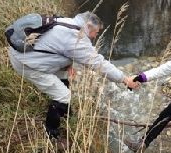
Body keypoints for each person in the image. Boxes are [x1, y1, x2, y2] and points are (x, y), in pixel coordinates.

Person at [8, 12, 139, 145]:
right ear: (88, 26)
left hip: (24, 53)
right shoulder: (76, 37)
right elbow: (99, 64)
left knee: (64, 76)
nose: (95, 36)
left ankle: (64, 112)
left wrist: (67, 64)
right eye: (96, 32)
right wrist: (124, 79)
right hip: (25, 63)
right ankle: (52, 135)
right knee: (63, 95)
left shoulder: (69, 22)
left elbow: (57, 45)